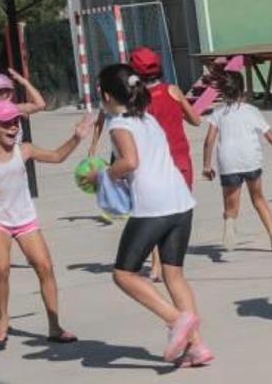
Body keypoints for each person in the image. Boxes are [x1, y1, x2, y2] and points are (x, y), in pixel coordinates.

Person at [89, 63, 213, 367]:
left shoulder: (120, 125)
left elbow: (130, 162)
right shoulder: (148, 119)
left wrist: (103, 174)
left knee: (123, 274)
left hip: (153, 205)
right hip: (180, 201)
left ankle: (176, 320)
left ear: (105, 95)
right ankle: (197, 347)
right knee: (174, 274)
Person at [0, 100, 88, 350]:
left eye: (16, 122)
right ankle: (3, 320)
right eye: (7, 123)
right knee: (1, 268)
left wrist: (76, 138)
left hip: (24, 218)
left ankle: (54, 326)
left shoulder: (25, 150)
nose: (13, 127)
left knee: (45, 267)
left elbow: (56, 156)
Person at [90, 47, 202, 282]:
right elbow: (195, 119)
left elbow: (129, 148)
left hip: (153, 166)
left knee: (153, 213)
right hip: (180, 163)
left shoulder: (139, 104)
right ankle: (167, 265)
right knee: (172, 213)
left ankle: (156, 265)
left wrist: (107, 171)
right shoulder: (172, 90)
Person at [203, 70, 272, 252]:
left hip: (228, 162)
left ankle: (230, 223)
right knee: (258, 198)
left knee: (231, 204)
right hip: (250, 160)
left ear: (223, 92)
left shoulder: (218, 114)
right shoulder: (252, 111)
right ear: (242, 90)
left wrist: (206, 165)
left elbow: (209, 140)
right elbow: (270, 135)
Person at [0, 69, 46, 277]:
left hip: (17, 165)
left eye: (7, 91)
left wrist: (24, 81)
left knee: (21, 209)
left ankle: (28, 247)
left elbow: (41, 104)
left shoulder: (16, 108)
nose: (4, 95)